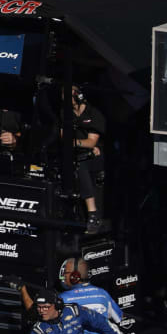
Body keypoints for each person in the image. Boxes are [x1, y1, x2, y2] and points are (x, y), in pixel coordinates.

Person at [68, 85, 106, 234]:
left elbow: (92, 142)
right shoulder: (65, 113)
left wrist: (76, 143)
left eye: (69, 94)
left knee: (81, 164)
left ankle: (92, 213)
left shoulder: (94, 113)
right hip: (73, 154)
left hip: (93, 156)